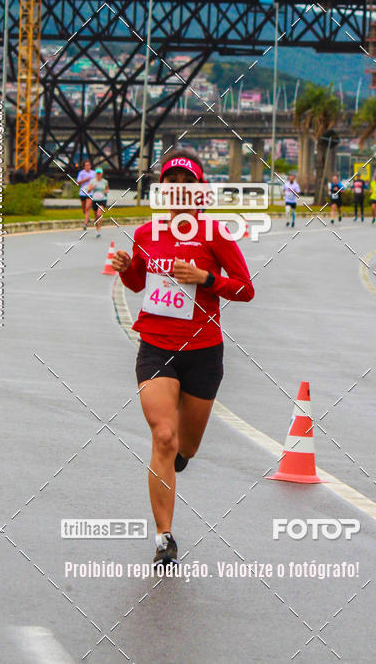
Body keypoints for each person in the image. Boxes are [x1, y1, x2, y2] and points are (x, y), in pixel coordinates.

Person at [112, 148, 254, 570]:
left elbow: (245, 288)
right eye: (170, 181)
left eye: (186, 182)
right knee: (163, 436)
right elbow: (138, 282)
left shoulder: (214, 235)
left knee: (185, 446)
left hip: (203, 352)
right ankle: (164, 538)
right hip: (156, 345)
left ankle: (177, 460)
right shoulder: (146, 232)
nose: (177, 188)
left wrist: (205, 278)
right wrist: (124, 266)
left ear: (198, 191)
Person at [86, 167, 109, 236]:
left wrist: (106, 191)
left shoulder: (105, 181)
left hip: (103, 199)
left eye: (100, 173)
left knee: (99, 214)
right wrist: (93, 187)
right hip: (95, 200)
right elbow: (88, 190)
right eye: (97, 173)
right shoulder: (93, 181)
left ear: (102, 174)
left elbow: (107, 189)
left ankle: (99, 230)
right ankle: (97, 229)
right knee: (96, 217)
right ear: (96, 174)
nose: (99, 174)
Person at [77, 160, 95, 229]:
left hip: (90, 193)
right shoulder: (81, 173)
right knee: (84, 208)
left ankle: (85, 224)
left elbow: (96, 181)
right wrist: (85, 180)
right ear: (84, 166)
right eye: (86, 165)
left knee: (87, 208)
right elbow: (78, 183)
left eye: (89, 165)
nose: (88, 166)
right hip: (82, 193)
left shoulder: (93, 173)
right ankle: (87, 217)